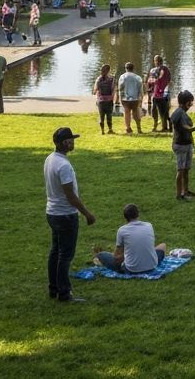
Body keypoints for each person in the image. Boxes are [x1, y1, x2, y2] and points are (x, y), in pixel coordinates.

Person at [44, 126, 96, 302]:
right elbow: (70, 195)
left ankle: (54, 288)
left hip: (52, 212)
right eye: (70, 139)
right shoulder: (64, 165)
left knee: (56, 251)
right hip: (65, 215)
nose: (73, 142)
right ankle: (64, 293)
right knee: (65, 255)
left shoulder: (50, 159)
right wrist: (87, 214)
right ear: (63, 143)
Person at [94, 203, 167, 273]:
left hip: (131, 269)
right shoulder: (149, 225)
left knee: (101, 255)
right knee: (162, 245)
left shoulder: (122, 230)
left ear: (125, 217)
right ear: (138, 214)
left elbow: (116, 256)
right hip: (152, 266)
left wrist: (123, 255)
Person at [171, 90, 195, 201]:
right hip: (181, 145)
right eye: (189, 103)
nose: (191, 105)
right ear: (184, 103)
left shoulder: (181, 112)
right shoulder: (179, 114)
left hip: (187, 145)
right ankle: (179, 194)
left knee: (186, 169)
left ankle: (186, 190)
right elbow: (189, 129)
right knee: (181, 170)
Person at [118, 61, 144, 135]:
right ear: (133, 69)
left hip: (125, 99)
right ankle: (139, 128)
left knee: (127, 113)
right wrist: (141, 98)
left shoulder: (122, 77)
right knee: (136, 114)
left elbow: (120, 88)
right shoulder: (137, 77)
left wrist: (120, 98)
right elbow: (140, 89)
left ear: (126, 68)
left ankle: (128, 128)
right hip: (135, 99)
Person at [149, 54, 172, 132]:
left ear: (155, 62)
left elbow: (151, 82)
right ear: (162, 61)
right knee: (165, 111)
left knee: (155, 111)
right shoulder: (167, 70)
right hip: (165, 93)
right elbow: (169, 80)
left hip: (157, 94)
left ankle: (155, 126)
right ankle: (166, 126)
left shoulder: (153, 70)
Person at [93, 63, 116, 133]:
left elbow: (95, 90)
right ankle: (110, 129)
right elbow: (113, 90)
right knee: (109, 116)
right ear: (109, 70)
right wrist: (112, 97)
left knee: (101, 116)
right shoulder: (112, 78)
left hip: (101, 101)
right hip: (109, 101)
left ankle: (102, 131)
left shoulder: (98, 79)